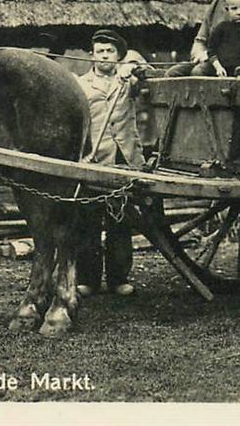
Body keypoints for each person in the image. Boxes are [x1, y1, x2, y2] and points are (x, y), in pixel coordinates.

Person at [75, 29, 145, 297]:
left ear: (118, 56)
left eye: (110, 52)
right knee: (89, 220)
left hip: (123, 157)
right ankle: (88, 280)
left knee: (120, 219)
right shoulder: (81, 84)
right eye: (100, 51)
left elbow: (147, 68)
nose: (105, 56)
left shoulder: (128, 81)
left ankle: (118, 278)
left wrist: (131, 64)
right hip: (94, 157)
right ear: (92, 56)